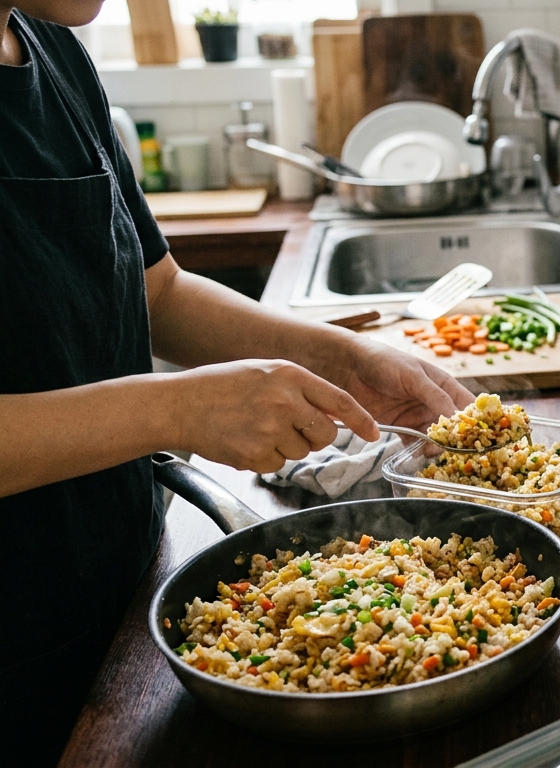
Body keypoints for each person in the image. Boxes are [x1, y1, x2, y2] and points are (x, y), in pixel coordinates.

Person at [0, 0, 472, 761]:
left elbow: (156, 292)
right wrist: (175, 409)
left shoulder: (51, 48)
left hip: (125, 589)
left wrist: (342, 359)